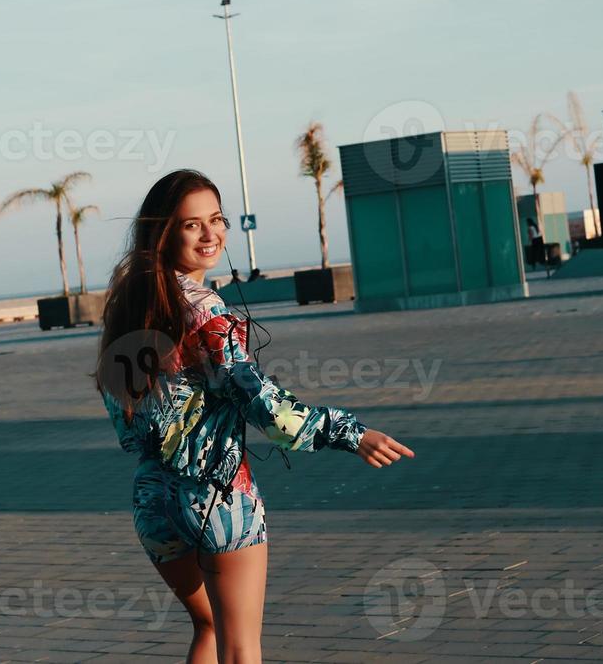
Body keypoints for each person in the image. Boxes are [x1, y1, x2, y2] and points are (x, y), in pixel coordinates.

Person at [94, 169, 414, 664]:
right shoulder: (206, 313)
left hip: (153, 502)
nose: (210, 234)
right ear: (163, 234)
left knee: (206, 627)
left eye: (217, 219)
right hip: (219, 499)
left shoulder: (130, 309)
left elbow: (127, 422)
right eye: (191, 225)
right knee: (241, 650)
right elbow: (262, 404)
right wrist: (351, 433)